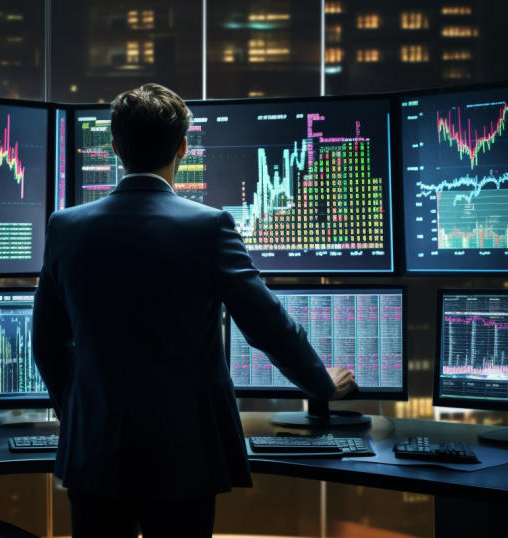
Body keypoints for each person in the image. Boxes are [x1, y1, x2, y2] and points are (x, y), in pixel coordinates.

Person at [32, 83, 357, 538]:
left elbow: (47, 343)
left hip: (94, 450)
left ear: (113, 148)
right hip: (183, 455)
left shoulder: (65, 227)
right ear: (183, 147)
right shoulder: (209, 226)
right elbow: (266, 326)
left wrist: (82, 412)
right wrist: (321, 383)